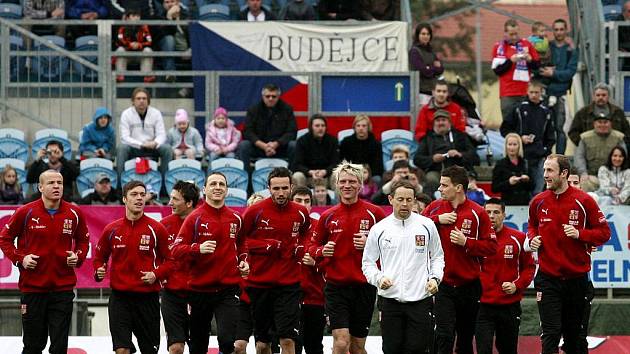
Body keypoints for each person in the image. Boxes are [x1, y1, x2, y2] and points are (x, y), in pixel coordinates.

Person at [526, 154, 611, 354]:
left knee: (574, 340)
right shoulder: (537, 202)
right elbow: (532, 225)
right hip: (548, 280)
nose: (545, 175)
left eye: (550, 171)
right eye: (544, 170)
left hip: (576, 280)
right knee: (551, 334)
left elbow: (604, 233)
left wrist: (580, 234)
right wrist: (533, 237)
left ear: (564, 173)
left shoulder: (584, 201)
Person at [0, 170, 90, 354]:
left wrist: (78, 256)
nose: (56, 186)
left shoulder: (74, 212)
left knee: (59, 347)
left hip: (63, 290)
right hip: (33, 289)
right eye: (51, 183)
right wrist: (21, 259)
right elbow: (4, 239)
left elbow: (83, 240)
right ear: (40, 187)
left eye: (60, 182)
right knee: (33, 346)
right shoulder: (25, 212)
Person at [309, 161, 386, 354]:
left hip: (365, 287)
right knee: (341, 343)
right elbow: (311, 247)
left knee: (358, 347)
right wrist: (321, 251)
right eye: (342, 181)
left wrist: (371, 242)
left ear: (360, 185)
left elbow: (391, 246)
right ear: (336, 185)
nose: (347, 185)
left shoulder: (375, 213)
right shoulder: (327, 216)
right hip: (336, 287)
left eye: (352, 181)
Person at [362, 180, 444, 354]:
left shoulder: (427, 225)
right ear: (391, 199)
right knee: (391, 349)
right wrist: (378, 279)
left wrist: (435, 278)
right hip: (390, 301)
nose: (405, 204)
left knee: (417, 349)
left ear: (414, 200)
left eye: (409, 200)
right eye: (400, 199)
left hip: (421, 300)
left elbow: (437, 257)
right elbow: (368, 262)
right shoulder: (379, 229)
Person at [422, 165, 497, 354]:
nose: (439, 189)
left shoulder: (478, 213)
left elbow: (491, 247)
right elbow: (416, 229)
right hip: (442, 284)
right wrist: (437, 220)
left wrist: (467, 243)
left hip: (469, 285)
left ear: (458, 188)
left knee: (465, 339)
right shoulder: (435, 208)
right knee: (444, 335)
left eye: (444, 185)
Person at [171, 173, 249, 354]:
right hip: (199, 291)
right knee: (198, 346)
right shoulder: (194, 218)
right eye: (213, 183)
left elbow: (242, 244)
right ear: (205, 189)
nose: (218, 187)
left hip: (228, 290)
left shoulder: (236, 218)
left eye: (222, 184)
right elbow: (175, 250)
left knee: (228, 340)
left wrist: (244, 260)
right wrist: (198, 248)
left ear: (227, 190)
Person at [93, 180, 171, 354]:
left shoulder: (156, 228)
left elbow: (171, 261)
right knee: (121, 350)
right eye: (134, 195)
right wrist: (99, 271)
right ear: (124, 199)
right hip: (120, 299)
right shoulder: (111, 229)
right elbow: (99, 259)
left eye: (142, 195)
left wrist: (156, 274)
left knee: (149, 351)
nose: (139, 199)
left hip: (147, 298)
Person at [242, 167, 310, 354]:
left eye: (284, 188)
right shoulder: (254, 211)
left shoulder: (300, 212)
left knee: (288, 338)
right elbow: (241, 241)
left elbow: (306, 234)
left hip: (289, 285)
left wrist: (301, 248)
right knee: (263, 344)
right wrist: (265, 246)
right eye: (276, 188)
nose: (280, 193)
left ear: (291, 187)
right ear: (268, 188)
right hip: (259, 284)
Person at [476, 198, 535, 354]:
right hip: (482, 305)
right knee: (483, 349)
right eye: (487, 212)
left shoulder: (519, 238)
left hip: (509, 305)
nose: (491, 216)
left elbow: (529, 267)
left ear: (504, 215)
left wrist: (517, 285)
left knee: (507, 349)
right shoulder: (475, 239)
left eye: (496, 212)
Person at [159, 180, 200, 354]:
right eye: (170, 198)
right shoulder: (163, 225)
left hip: (200, 293)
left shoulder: (204, 222)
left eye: (175, 199)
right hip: (172, 294)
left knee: (198, 348)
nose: (170, 203)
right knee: (175, 348)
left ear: (189, 203)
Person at [500, 80, 555, 195]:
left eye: (536, 92)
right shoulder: (518, 109)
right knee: (524, 188)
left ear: (541, 93)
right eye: (531, 92)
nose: (534, 95)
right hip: (521, 155)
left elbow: (550, 136)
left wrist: (546, 151)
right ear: (527, 92)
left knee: (539, 190)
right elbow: (504, 129)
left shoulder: (546, 112)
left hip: (539, 156)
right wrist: (519, 138)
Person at [290, 186, 327, 354]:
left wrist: (316, 264)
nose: (303, 205)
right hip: (287, 298)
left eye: (307, 201)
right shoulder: (283, 227)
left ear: (312, 205)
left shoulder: (320, 227)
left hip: (315, 298)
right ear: (291, 202)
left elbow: (332, 262)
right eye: (298, 201)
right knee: (291, 346)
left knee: (314, 347)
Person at [414, 109, 479, 196]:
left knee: (464, 179)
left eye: (443, 120)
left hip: (458, 170)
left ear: (449, 122)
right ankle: (430, 204)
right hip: (436, 171)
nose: (440, 123)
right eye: (438, 121)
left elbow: (474, 156)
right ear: (434, 123)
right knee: (430, 179)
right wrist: (432, 159)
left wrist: (460, 154)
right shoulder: (428, 138)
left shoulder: (460, 136)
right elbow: (417, 159)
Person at [538, 18, 578, 155]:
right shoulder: (546, 47)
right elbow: (537, 66)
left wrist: (553, 73)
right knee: (544, 128)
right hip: (544, 93)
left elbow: (570, 72)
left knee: (561, 130)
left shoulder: (571, 50)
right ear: (552, 31)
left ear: (566, 30)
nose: (559, 32)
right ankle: (545, 158)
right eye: (556, 29)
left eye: (562, 29)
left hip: (561, 95)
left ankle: (559, 159)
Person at [491, 19, 540, 121]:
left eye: (516, 34)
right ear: (505, 33)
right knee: (509, 124)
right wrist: (510, 61)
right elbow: (497, 71)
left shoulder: (526, 44)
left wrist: (529, 60)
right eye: (511, 34)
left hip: (525, 91)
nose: (514, 37)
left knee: (527, 124)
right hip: (508, 93)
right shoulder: (499, 47)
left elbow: (537, 66)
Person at [117, 87, 172, 177]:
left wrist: (155, 142)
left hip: (152, 147)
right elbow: (124, 137)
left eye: (144, 98)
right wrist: (141, 144)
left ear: (148, 101)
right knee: (121, 148)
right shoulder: (126, 114)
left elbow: (161, 134)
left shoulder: (156, 113)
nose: (141, 101)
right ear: (133, 101)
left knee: (167, 149)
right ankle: (120, 186)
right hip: (134, 147)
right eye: (138, 98)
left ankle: (164, 185)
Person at [238, 84, 297, 169]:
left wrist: (276, 144)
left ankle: (292, 177)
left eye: (274, 96)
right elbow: (247, 131)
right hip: (259, 147)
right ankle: (246, 179)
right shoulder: (253, 110)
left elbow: (292, 132)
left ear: (278, 96)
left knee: (294, 145)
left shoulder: (287, 109)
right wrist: (264, 146)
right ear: (263, 96)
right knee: (244, 145)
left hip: (280, 148)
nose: (270, 99)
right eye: (268, 96)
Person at [573, 113, 626, 192]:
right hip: (592, 177)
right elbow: (579, 157)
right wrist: (583, 173)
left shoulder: (619, 137)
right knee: (584, 183)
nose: (602, 125)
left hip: (613, 176)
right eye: (600, 122)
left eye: (605, 122)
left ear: (610, 123)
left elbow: (624, 156)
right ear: (594, 124)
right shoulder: (585, 138)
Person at [568, 83, 630, 147]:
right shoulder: (583, 113)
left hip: (614, 152)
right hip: (590, 152)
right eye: (598, 95)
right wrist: (584, 145)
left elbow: (627, 132)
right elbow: (573, 132)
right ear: (593, 97)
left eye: (603, 95)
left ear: (608, 96)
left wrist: (620, 147)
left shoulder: (618, 112)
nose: (601, 97)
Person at [292, 114, 339, 188]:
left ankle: (338, 200)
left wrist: (325, 171)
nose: (320, 128)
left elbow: (336, 163)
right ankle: (300, 198)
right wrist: (310, 172)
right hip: (308, 177)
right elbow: (296, 164)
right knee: (297, 176)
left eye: (323, 126)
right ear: (311, 127)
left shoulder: (332, 141)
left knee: (338, 175)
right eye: (317, 126)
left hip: (326, 177)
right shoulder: (302, 141)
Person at [339, 114, 384, 181]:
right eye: (358, 126)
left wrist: (366, 175)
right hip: (350, 174)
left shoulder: (376, 144)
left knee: (377, 179)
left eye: (364, 126)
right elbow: (342, 162)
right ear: (354, 127)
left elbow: (378, 167)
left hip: (370, 176)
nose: (361, 128)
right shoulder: (346, 142)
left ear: (368, 127)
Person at [115, 9, 155, 83]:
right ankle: (119, 75)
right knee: (120, 50)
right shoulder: (122, 28)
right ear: (127, 18)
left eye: (138, 16)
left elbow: (149, 41)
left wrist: (139, 45)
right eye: (133, 16)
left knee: (148, 50)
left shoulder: (144, 27)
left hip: (140, 55)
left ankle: (147, 75)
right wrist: (130, 45)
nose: (136, 18)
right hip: (127, 56)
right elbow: (119, 41)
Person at [491, 133, 533, 205]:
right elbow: (494, 188)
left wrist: (527, 180)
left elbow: (532, 186)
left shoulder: (526, 163)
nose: (512, 147)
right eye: (510, 144)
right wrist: (509, 183)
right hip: (508, 203)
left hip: (524, 203)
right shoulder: (500, 164)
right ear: (506, 146)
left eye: (514, 144)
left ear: (519, 146)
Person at [409, 23, 444, 101]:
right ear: (418, 35)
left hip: (433, 91)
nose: (426, 36)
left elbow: (441, 69)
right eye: (423, 34)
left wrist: (429, 67)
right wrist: (434, 68)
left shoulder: (431, 51)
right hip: (421, 92)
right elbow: (423, 71)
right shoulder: (414, 51)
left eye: (428, 34)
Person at [157, 0, 190, 83]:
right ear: (163, 4)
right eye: (166, 2)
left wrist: (190, 48)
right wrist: (169, 18)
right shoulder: (160, 16)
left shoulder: (187, 15)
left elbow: (194, 35)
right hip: (168, 48)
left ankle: (188, 89)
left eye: (172, 1)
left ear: (178, 3)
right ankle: (170, 73)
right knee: (169, 39)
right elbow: (164, 34)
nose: (169, 4)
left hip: (185, 48)